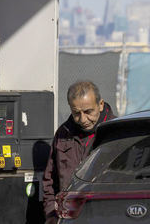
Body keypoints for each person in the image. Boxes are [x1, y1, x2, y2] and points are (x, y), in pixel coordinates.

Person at [42, 81, 115, 223]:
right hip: (70, 218)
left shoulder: (117, 133)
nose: (83, 119)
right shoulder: (63, 134)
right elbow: (49, 181)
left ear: (100, 105)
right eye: (76, 113)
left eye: (88, 112)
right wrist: (51, 215)